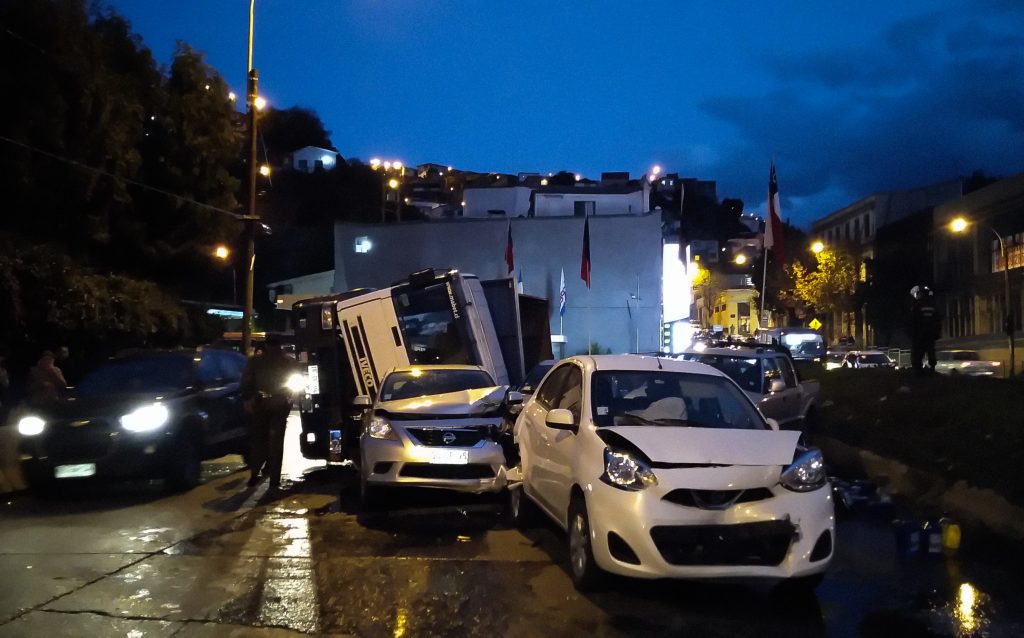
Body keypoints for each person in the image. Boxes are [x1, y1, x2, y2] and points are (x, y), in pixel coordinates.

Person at [240, 334, 300, 489]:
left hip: (261, 403)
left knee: (259, 440)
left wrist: (248, 398)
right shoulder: (289, 362)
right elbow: (296, 382)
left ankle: (255, 474)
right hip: (279, 403)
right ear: (280, 345)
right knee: (276, 442)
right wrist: (290, 398)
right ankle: (274, 480)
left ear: (266, 345)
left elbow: (246, 382)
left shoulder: (255, 361)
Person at [909, 285, 941, 375]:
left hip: (919, 335)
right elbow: (937, 321)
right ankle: (932, 369)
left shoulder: (917, 305)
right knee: (931, 351)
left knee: (917, 353)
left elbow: (913, 321)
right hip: (930, 335)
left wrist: (913, 334)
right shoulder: (933, 306)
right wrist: (936, 334)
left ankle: (918, 371)